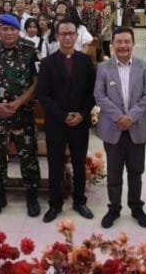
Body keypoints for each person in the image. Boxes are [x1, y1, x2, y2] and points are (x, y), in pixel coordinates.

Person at [0, 14, 40, 217]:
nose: (9, 33)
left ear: (18, 31)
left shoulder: (30, 50)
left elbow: (36, 81)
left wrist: (19, 102)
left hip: (23, 114)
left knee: (28, 155)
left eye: (13, 29)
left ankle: (32, 195)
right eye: (4, 29)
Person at [36, 18, 97, 223]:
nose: (68, 37)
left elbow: (92, 92)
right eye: (63, 33)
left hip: (80, 122)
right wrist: (62, 115)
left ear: (77, 35)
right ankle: (55, 203)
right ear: (56, 36)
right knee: (55, 163)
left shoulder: (86, 61)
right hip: (56, 122)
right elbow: (43, 95)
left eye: (71, 33)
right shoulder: (47, 63)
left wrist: (81, 113)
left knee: (79, 163)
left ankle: (80, 201)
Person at [94, 26, 146, 229]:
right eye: (118, 42)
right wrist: (120, 117)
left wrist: (132, 117)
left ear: (133, 44)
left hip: (137, 127)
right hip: (113, 127)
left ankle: (136, 206)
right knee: (114, 171)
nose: (123, 45)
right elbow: (99, 96)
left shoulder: (144, 67)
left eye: (127, 41)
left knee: (136, 171)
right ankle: (114, 207)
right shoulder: (104, 68)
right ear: (112, 45)